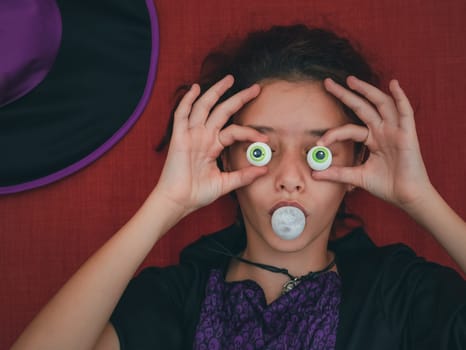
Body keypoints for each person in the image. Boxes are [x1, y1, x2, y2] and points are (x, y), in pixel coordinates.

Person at [12, 25, 466, 350]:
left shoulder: (402, 293)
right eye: (260, 150)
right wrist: (165, 204)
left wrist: (419, 199)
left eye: (318, 153)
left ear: (358, 164)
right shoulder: (172, 299)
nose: (290, 178)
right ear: (225, 155)